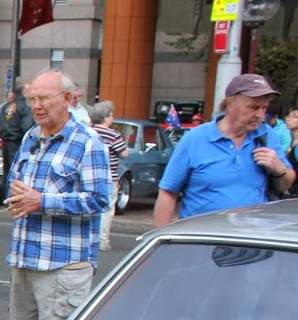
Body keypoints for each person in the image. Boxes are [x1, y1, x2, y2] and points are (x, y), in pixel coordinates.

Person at [4, 70, 111, 320]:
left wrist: (42, 201)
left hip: (63, 263)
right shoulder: (30, 136)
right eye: (31, 99)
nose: (36, 105)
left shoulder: (88, 141)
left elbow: (99, 200)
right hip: (28, 256)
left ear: (66, 99)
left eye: (44, 98)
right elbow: (13, 181)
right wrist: (14, 192)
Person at [153, 74, 295, 225]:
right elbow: (168, 192)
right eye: (253, 107)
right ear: (230, 104)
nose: (260, 115)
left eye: (264, 108)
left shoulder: (267, 136)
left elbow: (285, 185)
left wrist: (278, 168)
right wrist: (163, 240)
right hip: (203, 240)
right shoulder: (195, 139)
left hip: (251, 241)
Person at [89, 100, 129, 250]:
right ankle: (102, 241)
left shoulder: (87, 131)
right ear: (105, 117)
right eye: (111, 115)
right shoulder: (113, 134)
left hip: (90, 175)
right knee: (107, 209)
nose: (112, 118)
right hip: (109, 177)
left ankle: (89, 238)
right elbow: (124, 153)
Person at [0, 84, 35, 196]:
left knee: (7, 172)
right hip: (17, 142)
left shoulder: (6, 106)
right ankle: (13, 197)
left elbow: (0, 122)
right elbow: (27, 126)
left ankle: (5, 197)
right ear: (24, 93)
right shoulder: (25, 107)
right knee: (17, 172)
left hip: (5, 142)